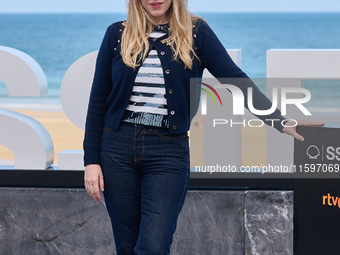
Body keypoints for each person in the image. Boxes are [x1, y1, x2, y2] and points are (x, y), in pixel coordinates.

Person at [83, 0, 324, 254]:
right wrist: (91, 161)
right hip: (116, 149)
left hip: (167, 151)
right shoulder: (117, 33)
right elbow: (98, 100)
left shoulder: (196, 32)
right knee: (126, 246)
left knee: (153, 247)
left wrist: (279, 120)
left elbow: (236, 79)